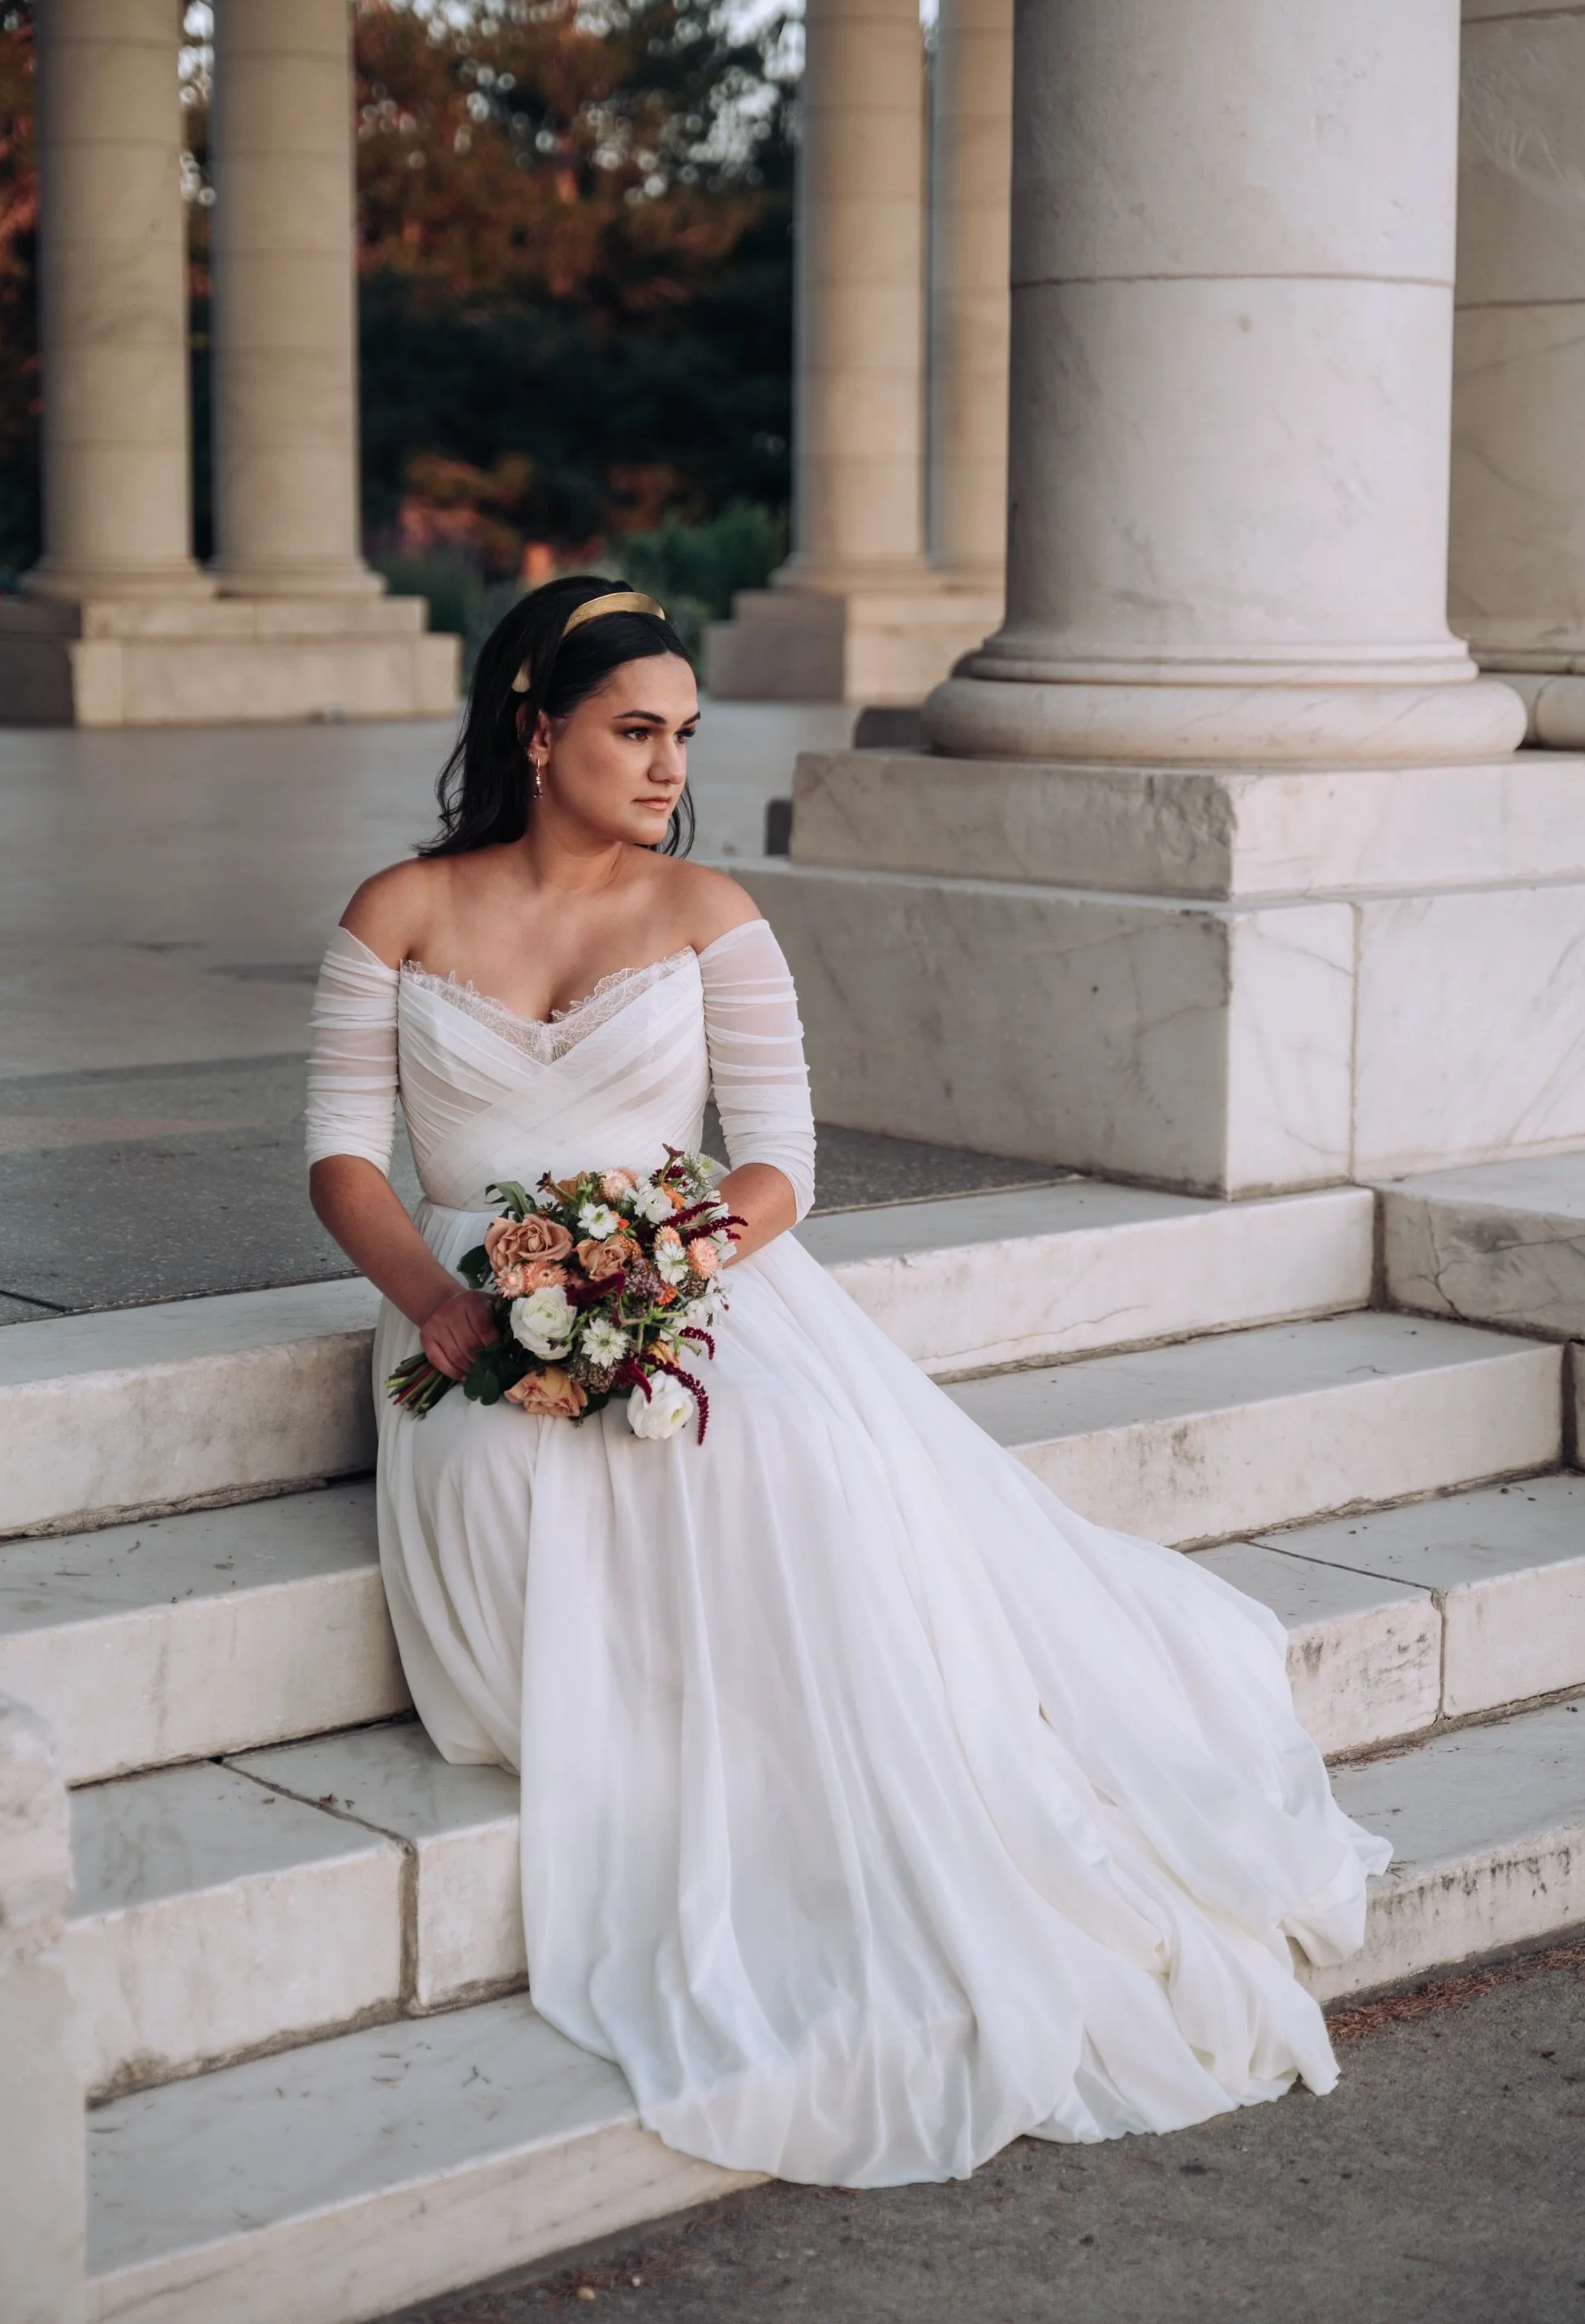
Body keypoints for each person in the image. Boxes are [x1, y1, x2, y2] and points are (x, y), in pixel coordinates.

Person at [305, 574, 1389, 2188]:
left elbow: (784, 1163)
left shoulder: (710, 913)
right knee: (511, 1485)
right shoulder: (396, 908)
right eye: (633, 731)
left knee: (792, 1459)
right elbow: (340, 1158)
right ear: (537, 733)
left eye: (683, 734)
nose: (669, 767)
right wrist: (439, 1303)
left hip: (691, 1274)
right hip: (470, 1304)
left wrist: (652, 1267)